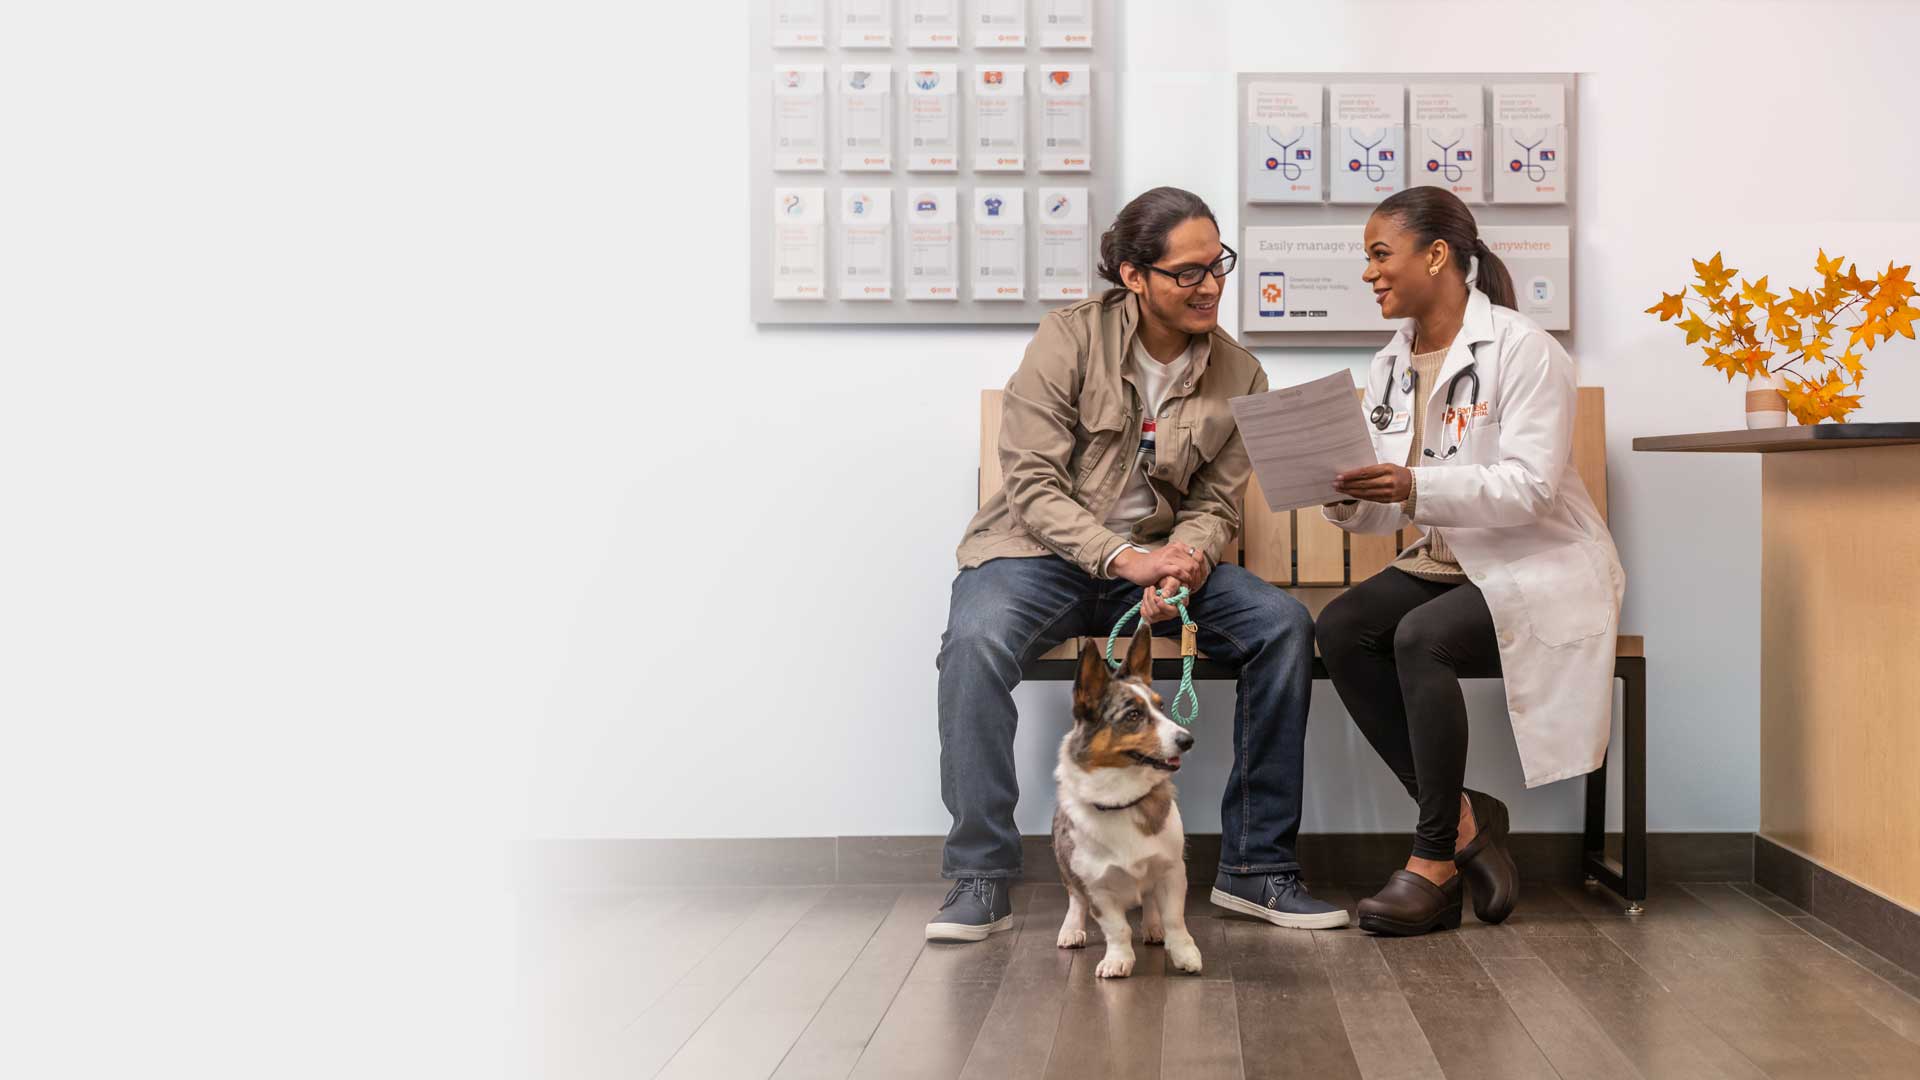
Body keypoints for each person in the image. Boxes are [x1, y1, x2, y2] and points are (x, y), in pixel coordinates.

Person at [929, 187, 1346, 943]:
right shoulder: (1067, 340)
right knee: (975, 642)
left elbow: (1217, 502)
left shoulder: (1241, 375)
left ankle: (1257, 868)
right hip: (1039, 557)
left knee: (1282, 626)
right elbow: (1029, 480)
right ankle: (980, 875)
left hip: (1158, 564)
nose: (1211, 285)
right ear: (1133, 275)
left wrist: (1183, 562)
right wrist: (1125, 559)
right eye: (1188, 272)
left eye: (1217, 264)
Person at [1316, 187, 1626, 936]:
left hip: (1539, 561)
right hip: (1452, 561)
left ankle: (1432, 863)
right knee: (1342, 627)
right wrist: (1347, 497)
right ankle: (1465, 820)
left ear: (1437, 255)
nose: (1369, 273)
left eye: (1379, 254)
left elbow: (1528, 487)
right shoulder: (1392, 364)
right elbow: (1396, 505)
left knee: (1422, 637)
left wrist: (1414, 485)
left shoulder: (1525, 350)